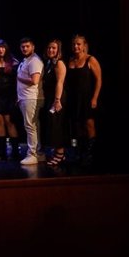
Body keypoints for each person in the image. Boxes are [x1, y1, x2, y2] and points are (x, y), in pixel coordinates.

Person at [66, 34, 102, 163]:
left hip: (87, 97)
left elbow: (99, 80)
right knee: (77, 125)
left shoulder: (90, 60)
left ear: (84, 46)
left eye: (78, 44)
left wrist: (95, 98)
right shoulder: (70, 60)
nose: (76, 46)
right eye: (74, 44)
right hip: (73, 98)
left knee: (89, 124)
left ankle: (90, 152)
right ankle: (80, 151)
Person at [16, 37, 45, 165]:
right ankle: (38, 153)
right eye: (23, 46)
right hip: (26, 98)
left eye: (27, 46)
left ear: (33, 47)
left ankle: (32, 154)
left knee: (30, 126)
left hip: (31, 98)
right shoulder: (26, 60)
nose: (25, 48)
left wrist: (20, 79)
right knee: (33, 126)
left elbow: (35, 80)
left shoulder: (34, 60)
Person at [40, 39, 69, 166]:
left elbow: (60, 82)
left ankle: (60, 154)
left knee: (57, 125)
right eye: (49, 48)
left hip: (58, 98)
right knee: (52, 125)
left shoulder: (59, 63)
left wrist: (57, 100)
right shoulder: (50, 63)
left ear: (58, 50)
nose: (51, 50)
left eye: (54, 48)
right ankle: (57, 152)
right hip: (51, 97)